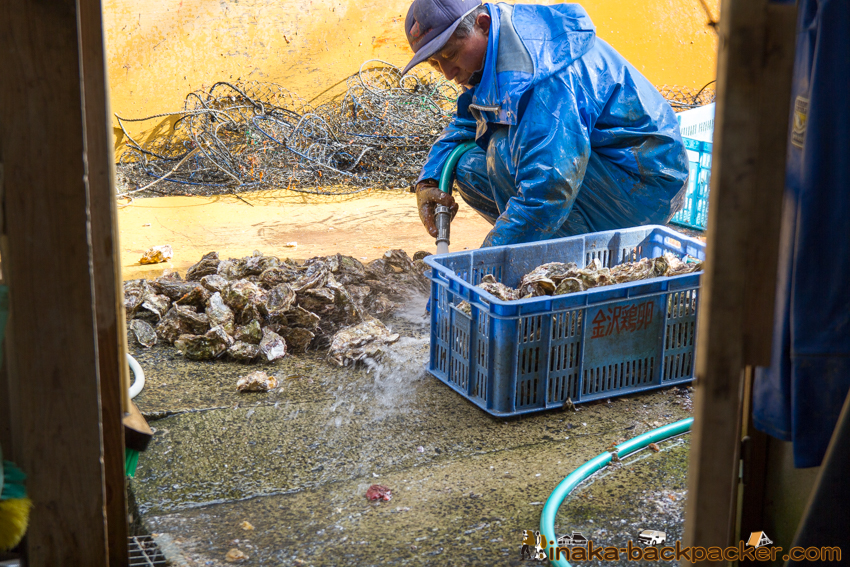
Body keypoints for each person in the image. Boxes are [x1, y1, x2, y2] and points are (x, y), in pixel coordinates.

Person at [402, 0, 690, 247]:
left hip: (645, 184)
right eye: (435, 64)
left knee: (502, 150)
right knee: (467, 168)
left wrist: (483, 266)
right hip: (605, 168)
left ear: (484, 24)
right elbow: (469, 119)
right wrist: (428, 181)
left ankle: (562, 259)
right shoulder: (491, 52)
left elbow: (548, 188)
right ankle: (550, 249)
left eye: (450, 55)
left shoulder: (541, 72)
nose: (448, 74)